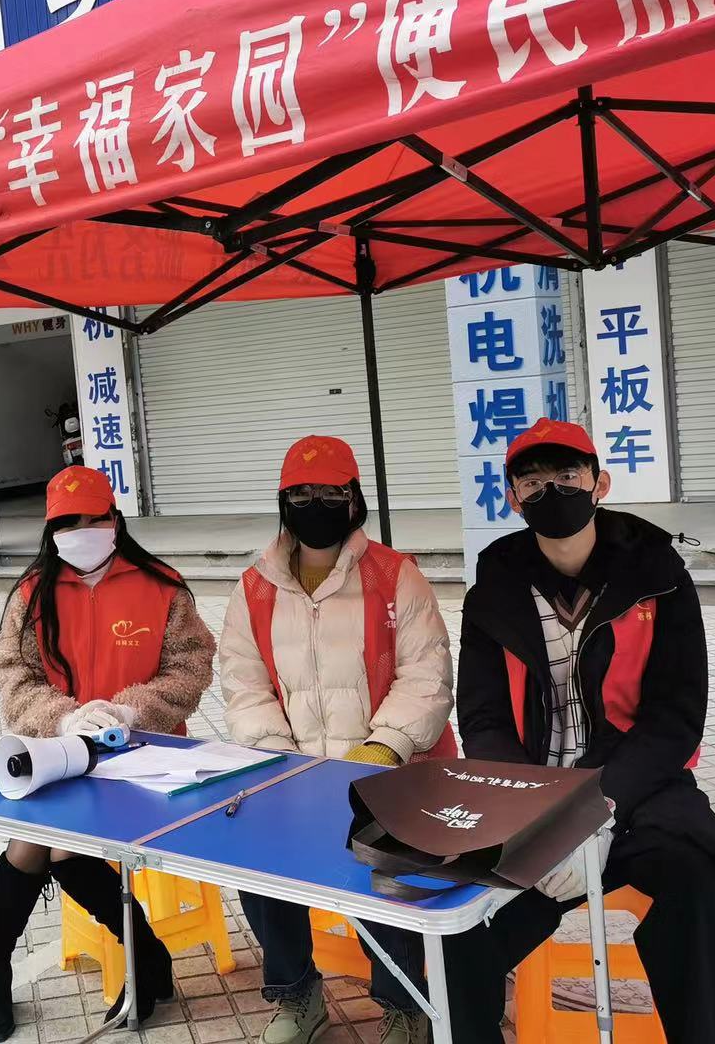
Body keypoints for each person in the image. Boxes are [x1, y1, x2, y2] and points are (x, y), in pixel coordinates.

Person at [444, 418, 715, 1044]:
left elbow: (676, 716)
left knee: (703, 891)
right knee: (456, 926)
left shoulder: (659, 577)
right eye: (532, 482)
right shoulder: (494, 590)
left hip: (635, 791)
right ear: (512, 498)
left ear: (599, 483)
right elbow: (482, 717)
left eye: (567, 475)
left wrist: (598, 810)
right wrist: (538, 820)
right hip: (528, 796)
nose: (551, 491)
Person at [219, 435, 456, 1044]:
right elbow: (244, 684)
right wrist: (280, 764)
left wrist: (380, 750)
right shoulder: (253, 587)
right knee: (256, 853)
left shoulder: (396, 576)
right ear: (283, 502)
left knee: (386, 866)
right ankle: (297, 995)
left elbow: (427, 675)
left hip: (390, 770)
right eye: (301, 494)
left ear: (354, 499)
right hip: (294, 772)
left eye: (331, 492)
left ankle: (405, 1005)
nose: (316, 504)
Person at [0, 466, 217, 1042]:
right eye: (67, 523)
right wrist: (64, 718)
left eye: (92, 519)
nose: (80, 532)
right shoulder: (33, 594)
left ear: (115, 520)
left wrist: (130, 712)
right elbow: (12, 675)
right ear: (50, 531)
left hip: (146, 755)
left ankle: (144, 957)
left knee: (61, 848)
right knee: (29, 844)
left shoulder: (162, 587)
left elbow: (191, 668)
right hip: (61, 751)